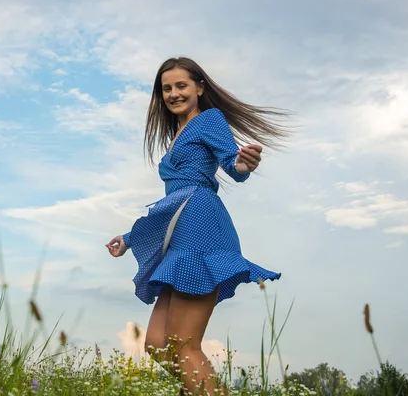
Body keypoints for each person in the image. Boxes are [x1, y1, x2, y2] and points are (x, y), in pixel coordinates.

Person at [106, 57, 289, 395]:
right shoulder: (178, 133)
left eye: (181, 86)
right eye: (166, 89)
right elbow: (171, 206)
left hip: (202, 230)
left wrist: (242, 164)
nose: (174, 94)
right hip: (181, 231)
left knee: (184, 346)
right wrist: (130, 238)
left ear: (199, 87)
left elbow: (231, 165)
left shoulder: (209, 120)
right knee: (159, 345)